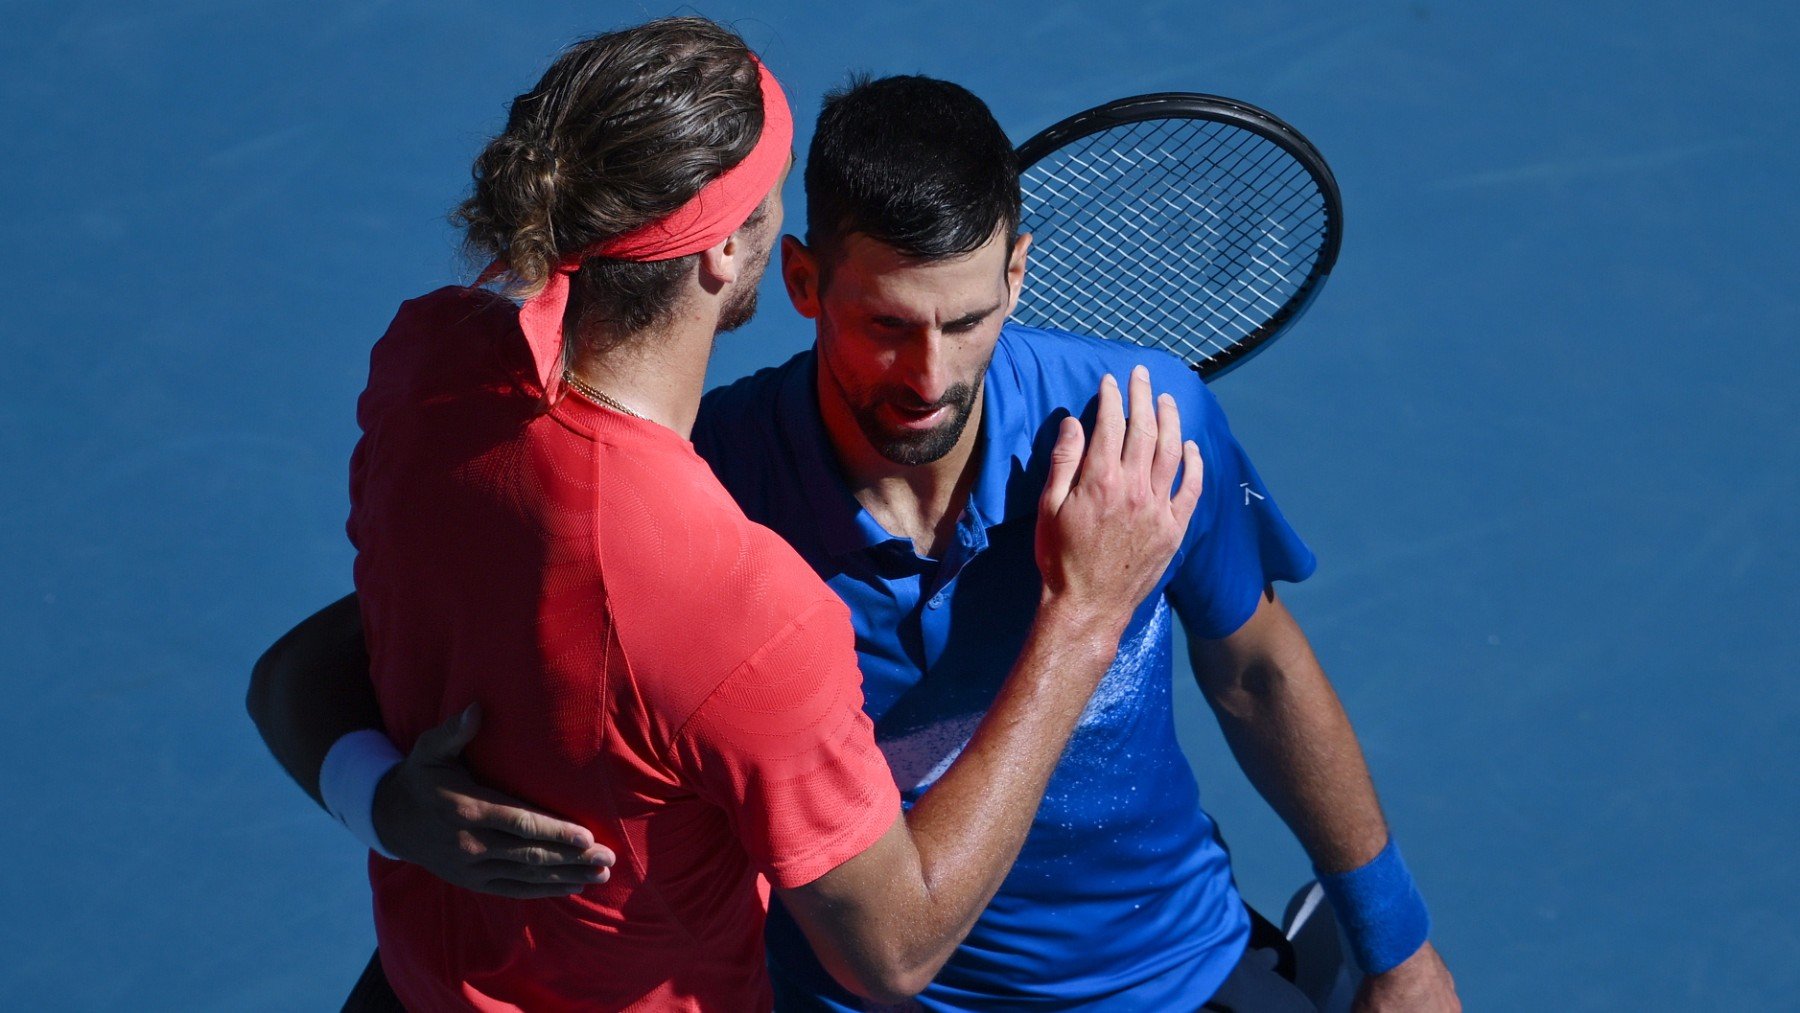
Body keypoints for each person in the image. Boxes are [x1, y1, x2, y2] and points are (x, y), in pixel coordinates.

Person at [252, 72, 1460, 1011]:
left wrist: (1397, 944)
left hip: (1157, 978)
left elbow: (1257, 669)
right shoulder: (692, 498)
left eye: (969, 319)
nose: (927, 378)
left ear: (1020, 275)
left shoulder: (1138, 430)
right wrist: (384, 803)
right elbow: (314, 666)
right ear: (801, 279)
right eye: (886, 323)